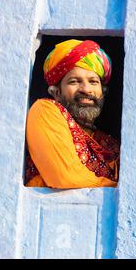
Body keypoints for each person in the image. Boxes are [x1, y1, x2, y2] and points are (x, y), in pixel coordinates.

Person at [25, 39, 120, 188]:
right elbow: (65, 177)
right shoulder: (44, 110)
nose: (86, 89)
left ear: (103, 92)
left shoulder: (110, 145)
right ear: (56, 92)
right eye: (74, 81)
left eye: (93, 82)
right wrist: (121, 188)